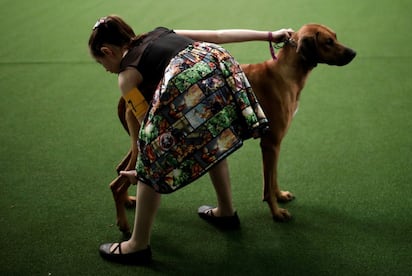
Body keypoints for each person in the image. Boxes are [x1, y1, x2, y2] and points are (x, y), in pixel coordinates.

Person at [88, 15, 293, 265]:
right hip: (220, 70)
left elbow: (148, 128)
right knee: (212, 136)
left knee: (153, 156)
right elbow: (218, 35)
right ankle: (226, 212)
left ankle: (137, 245)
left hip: (188, 86)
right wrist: (271, 35)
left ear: (107, 51)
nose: (106, 69)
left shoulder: (126, 76)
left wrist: (142, 170)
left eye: (102, 63)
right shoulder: (162, 32)